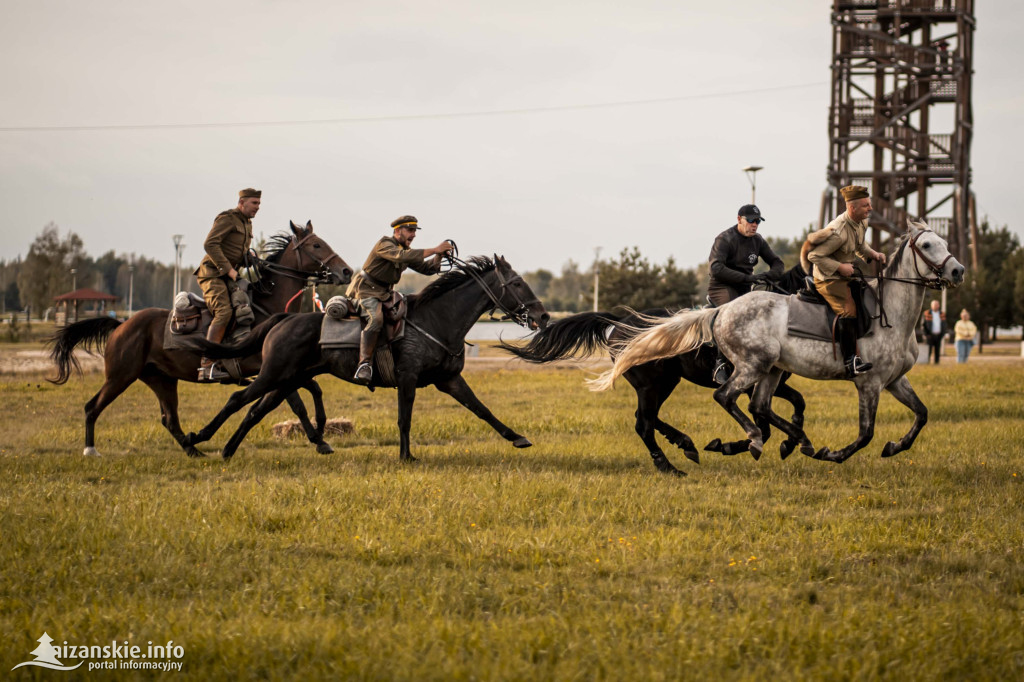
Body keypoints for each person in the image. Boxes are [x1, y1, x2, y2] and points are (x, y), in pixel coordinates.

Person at [346, 215, 452, 383]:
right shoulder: (385, 244)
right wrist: (434, 249)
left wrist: (440, 255)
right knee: (376, 318)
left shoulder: (406, 251)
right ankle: (364, 365)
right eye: (410, 230)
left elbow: (427, 268)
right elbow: (400, 256)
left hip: (385, 294)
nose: (413, 235)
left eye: (415, 231)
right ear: (397, 231)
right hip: (365, 292)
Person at [807, 185, 888, 378]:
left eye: (869, 204)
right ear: (852, 208)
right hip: (828, 279)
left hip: (845, 276)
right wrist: (840, 267)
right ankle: (851, 361)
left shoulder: (862, 222)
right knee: (849, 310)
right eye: (865, 205)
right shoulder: (838, 231)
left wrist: (873, 254)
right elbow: (814, 256)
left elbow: (860, 245)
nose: (870, 208)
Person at [707, 204, 785, 384]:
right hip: (722, 287)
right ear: (739, 219)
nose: (754, 225)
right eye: (750, 220)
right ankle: (720, 363)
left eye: (757, 221)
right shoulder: (724, 239)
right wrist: (747, 278)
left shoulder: (758, 240)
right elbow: (716, 269)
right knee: (733, 317)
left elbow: (777, 263)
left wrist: (767, 275)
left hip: (744, 287)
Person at [194, 187, 260, 381]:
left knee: (246, 307)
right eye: (254, 203)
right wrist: (230, 271)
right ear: (242, 203)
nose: (258, 207)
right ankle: (206, 364)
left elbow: (235, 249)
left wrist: (250, 257)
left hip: (229, 277)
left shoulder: (247, 223)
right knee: (224, 312)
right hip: (212, 275)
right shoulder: (228, 218)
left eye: (259, 204)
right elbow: (210, 244)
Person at [921, 299, 947, 364]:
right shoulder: (926, 313)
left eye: (937, 305)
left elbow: (944, 324)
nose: (935, 306)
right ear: (931, 305)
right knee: (928, 350)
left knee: (937, 350)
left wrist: (943, 333)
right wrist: (926, 334)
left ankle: (937, 362)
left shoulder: (942, 314)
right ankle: (927, 362)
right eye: (934, 305)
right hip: (930, 335)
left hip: (938, 335)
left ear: (939, 305)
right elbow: (922, 325)